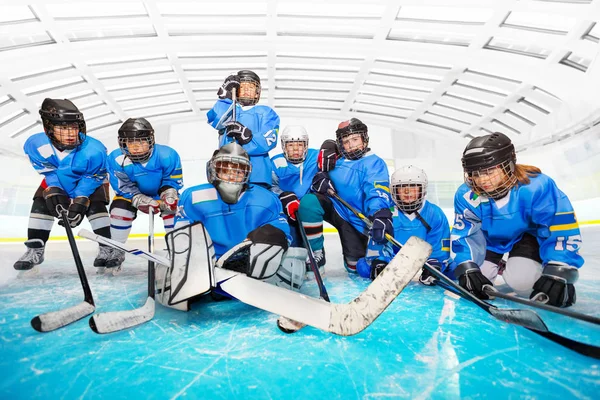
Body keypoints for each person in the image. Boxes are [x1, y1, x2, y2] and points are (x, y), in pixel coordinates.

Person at [451, 132, 583, 308]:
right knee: (477, 278)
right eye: (474, 173)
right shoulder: (466, 194)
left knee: (522, 282)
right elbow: (464, 234)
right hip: (489, 241)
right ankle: (500, 265)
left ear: (509, 164)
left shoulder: (537, 186)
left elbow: (559, 226)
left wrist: (559, 267)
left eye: (489, 171)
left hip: (527, 238)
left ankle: (520, 265)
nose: (481, 180)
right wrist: (466, 266)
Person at [167, 143, 305, 308]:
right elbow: (181, 235)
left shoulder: (266, 198)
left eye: (238, 171)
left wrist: (264, 239)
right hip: (210, 267)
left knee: (291, 257)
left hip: (252, 267)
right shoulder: (193, 197)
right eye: (226, 170)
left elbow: (283, 233)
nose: (231, 176)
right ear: (214, 170)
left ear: (247, 174)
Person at [14, 98, 116, 272]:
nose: (70, 133)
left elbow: (94, 177)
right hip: (58, 180)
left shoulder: (95, 149)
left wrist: (79, 199)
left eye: (74, 127)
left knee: (95, 206)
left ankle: (107, 247)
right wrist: (55, 190)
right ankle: (35, 249)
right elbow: (49, 172)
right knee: (41, 203)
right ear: (48, 128)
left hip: (90, 182)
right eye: (63, 127)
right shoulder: (35, 144)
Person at [297, 118, 393, 274]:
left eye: (355, 139)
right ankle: (315, 252)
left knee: (354, 267)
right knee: (309, 202)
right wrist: (320, 178)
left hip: (356, 221)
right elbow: (317, 174)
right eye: (346, 141)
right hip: (337, 208)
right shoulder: (335, 160)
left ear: (364, 139)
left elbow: (376, 191)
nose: (351, 145)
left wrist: (380, 214)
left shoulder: (374, 163)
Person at [106, 118, 183, 272]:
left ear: (151, 140)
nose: (136, 147)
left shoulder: (167, 154)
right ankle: (117, 249)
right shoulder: (116, 158)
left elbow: (172, 180)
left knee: (175, 209)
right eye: (130, 142)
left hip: (159, 194)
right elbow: (122, 186)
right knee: (119, 210)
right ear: (123, 143)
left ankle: (179, 250)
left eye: (141, 142)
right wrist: (138, 198)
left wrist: (168, 194)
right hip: (131, 196)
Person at [356, 165, 454, 282]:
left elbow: (439, 244)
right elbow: (378, 243)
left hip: (424, 261)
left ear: (422, 190)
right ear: (394, 191)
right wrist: (380, 260)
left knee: (454, 270)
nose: (407, 192)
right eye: (402, 188)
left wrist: (435, 265)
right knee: (363, 267)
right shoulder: (386, 214)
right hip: (393, 260)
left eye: (413, 188)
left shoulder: (434, 213)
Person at [206, 70, 279, 188]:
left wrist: (247, 137)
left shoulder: (266, 112)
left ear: (257, 93)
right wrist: (226, 96)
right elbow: (216, 121)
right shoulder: (229, 109)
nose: (245, 90)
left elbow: (269, 140)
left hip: (257, 175)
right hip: (226, 171)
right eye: (242, 87)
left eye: (250, 87)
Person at [271, 125, 319, 250]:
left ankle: (317, 252)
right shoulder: (276, 163)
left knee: (312, 238)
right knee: (294, 244)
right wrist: (283, 196)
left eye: (300, 144)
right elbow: (270, 187)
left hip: (308, 209)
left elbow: (334, 157)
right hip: (287, 210)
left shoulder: (315, 157)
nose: (296, 149)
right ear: (284, 146)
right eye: (291, 145)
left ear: (306, 145)